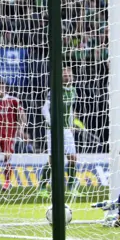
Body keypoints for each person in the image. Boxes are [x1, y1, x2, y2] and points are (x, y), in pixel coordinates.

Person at [39, 67, 79, 197]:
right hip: (53, 129)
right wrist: (52, 123)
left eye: (69, 75)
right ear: (61, 77)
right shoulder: (54, 90)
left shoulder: (73, 90)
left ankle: (71, 186)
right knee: (53, 159)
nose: (68, 77)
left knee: (72, 158)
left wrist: (72, 124)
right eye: (65, 76)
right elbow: (45, 109)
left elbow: (71, 109)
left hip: (67, 128)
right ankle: (42, 187)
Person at [0, 82, 25, 191]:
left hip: (9, 133)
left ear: (5, 88)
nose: (0, 89)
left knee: (7, 157)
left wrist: (21, 128)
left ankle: (7, 182)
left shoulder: (13, 100)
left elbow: (22, 115)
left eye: (2, 87)